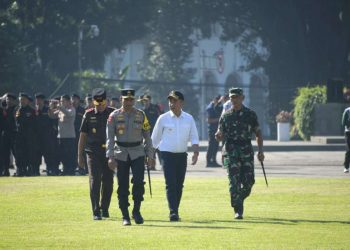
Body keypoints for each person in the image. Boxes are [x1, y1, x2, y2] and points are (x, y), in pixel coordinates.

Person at [106, 88, 155, 226]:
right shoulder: (114, 116)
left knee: (139, 182)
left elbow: (147, 136)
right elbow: (109, 138)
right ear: (121, 100)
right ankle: (125, 215)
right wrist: (110, 156)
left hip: (138, 152)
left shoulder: (141, 115)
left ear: (134, 100)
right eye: (126, 99)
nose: (128, 102)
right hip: (120, 152)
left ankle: (136, 210)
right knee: (122, 185)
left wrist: (150, 155)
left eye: (131, 99)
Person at [215, 87, 264, 220]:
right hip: (230, 151)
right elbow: (220, 132)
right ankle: (238, 210)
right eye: (231, 97)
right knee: (234, 182)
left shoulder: (250, 114)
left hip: (246, 150)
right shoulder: (225, 116)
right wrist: (218, 136)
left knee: (249, 182)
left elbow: (258, 133)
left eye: (236, 97)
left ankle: (239, 199)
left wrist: (261, 151)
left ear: (242, 98)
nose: (234, 100)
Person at [151, 90, 199, 222]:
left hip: (182, 155)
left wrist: (195, 152)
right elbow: (155, 139)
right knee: (170, 184)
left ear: (181, 102)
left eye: (174, 100)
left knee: (179, 185)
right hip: (166, 155)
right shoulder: (163, 118)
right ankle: (173, 212)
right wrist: (150, 155)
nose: (171, 103)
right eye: (170, 100)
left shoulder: (189, 118)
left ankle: (175, 209)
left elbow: (194, 137)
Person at [78, 88, 115, 220]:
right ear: (93, 102)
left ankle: (104, 208)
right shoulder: (88, 114)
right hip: (93, 152)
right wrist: (80, 156)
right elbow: (82, 136)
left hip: (109, 152)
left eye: (102, 104)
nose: (100, 106)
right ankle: (95, 211)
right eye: (97, 104)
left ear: (106, 101)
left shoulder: (112, 113)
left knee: (108, 182)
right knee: (95, 180)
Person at [49, 94, 76, 175]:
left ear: (68, 101)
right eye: (61, 101)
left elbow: (68, 114)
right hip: (61, 136)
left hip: (69, 137)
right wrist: (51, 107)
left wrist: (59, 107)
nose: (61, 102)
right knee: (63, 155)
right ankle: (65, 170)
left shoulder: (72, 109)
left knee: (69, 155)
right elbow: (52, 116)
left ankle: (70, 171)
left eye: (63, 101)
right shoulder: (60, 110)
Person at [14, 93, 37, 176]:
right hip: (19, 136)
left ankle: (29, 169)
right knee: (19, 153)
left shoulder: (31, 111)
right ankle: (20, 169)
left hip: (29, 136)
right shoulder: (17, 110)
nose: (21, 101)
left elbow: (34, 124)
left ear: (27, 101)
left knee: (29, 153)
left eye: (23, 99)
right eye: (20, 100)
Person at [139, 94, 163, 169]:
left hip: (156, 132)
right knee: (149, 149)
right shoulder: (142, 110)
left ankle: (163, 164)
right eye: (144, 101)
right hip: (147, 133)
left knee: (159, 149)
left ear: (150, 100)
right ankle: (152, 165)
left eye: (146, 100)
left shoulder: (155, 108)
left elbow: (161, 117)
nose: (145, 102)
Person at [1, 93, 17, 176]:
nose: (8, 101)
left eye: (10, 99)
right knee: (5, 153)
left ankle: (19, 169)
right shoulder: (3, 109)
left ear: (14, 101)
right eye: (7, 99)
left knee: (16, 152)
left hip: (13, 133)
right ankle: (5, 170)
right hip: (5, 134)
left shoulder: (16, 109)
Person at [206, 95, 223, 167]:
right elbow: (209, 120)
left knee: (216, 146)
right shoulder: (210, 108)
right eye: (220, 101)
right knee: (211, 146)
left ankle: (214, 161)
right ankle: (209, 162)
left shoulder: (217, 107)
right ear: (216, 100)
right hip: (212, 130)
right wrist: (219, 119)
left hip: (217, 130)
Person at [341, 106, 350, 173]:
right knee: (349, 150)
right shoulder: (347, 110)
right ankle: (346, 167)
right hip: (348, 132)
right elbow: (343, 123)